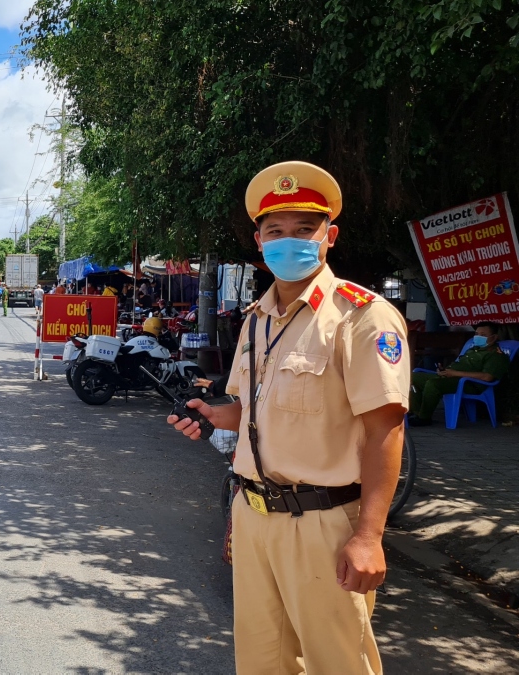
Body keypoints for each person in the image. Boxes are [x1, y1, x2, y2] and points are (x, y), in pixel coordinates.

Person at [166, 161, 408, 674]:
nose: (288, 242)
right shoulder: (256, 321)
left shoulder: (360, 316)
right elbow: (250, 412)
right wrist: (210, 415)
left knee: (337, 664)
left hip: (323, 524)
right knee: (262, 661)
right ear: (259, 241)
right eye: (276, 232)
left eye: (305, 230)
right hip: (254, 516)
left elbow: (385, 428)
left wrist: (368, 536)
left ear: (330, 236)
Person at [409, 322, 510, 426]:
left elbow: (487, 377)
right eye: (476, 334)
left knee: (433, 384)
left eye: (483, 335)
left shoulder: (496, 355)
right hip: (452, 377)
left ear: (494, 337)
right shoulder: (473, 349)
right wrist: (444, 370)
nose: (478, 337)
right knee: (411, 378)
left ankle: (424, 418)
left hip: (470, 384)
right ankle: (416, 413)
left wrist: (455, 373)